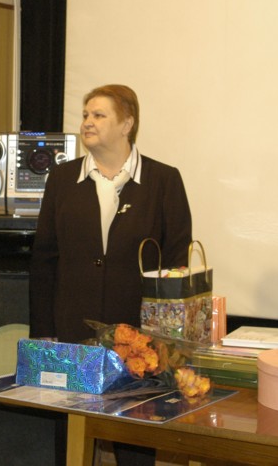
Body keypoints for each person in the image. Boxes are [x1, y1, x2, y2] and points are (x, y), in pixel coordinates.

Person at [29, 84, 192, 466]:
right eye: (86, 114)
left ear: (127, 124)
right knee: (71, 439)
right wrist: (43, 329)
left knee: (135, 437)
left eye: (99, 115)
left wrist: (167, 338)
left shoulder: (164, 180)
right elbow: (44, 260)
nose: (88, 122)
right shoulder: (62, 179)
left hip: (139, 337)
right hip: (72, 330)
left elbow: (176, 263)